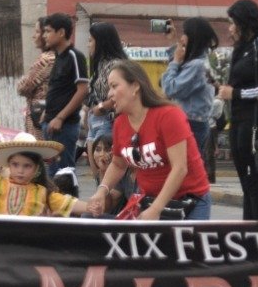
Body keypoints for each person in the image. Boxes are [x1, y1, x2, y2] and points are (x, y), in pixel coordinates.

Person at [86, 60, 213, 221]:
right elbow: (118, 164)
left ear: (135, 86)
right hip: (151, 200)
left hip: (190, 202)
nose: (109, 94)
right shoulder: (120, 123)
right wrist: (101, 191)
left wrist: (156, 208)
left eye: (114, 86)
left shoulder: (168, 115)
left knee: (184, 246)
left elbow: (180, 168)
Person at [218, 0, 258, 221]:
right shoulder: (241, 48)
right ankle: (247, 232)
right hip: (238, 121)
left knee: (255, 184)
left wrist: (236, 94)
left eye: (234, 23)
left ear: (245, 23)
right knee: (246, 184)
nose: (230, 28)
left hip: (256, 122)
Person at [0, 137, 88, 216]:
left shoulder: (42, 192)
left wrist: (92, 207)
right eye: (15, 165)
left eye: (27, 166)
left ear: (36, 169)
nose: (20, 170)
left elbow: (68, 204)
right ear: (9, 165)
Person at [162, 16, 219, 158]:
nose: (182, 37)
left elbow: (171, 88)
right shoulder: (199, 61)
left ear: (194, 36)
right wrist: (174, 45)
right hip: (194, 122)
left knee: (185, 170)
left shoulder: (197, 66)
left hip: (191, 124)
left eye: (184, 32)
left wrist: (174, 62)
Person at [39, 16, 87, 171]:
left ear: (61, 32)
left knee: (63, 174)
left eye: (48, 31)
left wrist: (60, 117)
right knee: (52, 174)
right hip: (50, 124)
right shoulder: (58, 57)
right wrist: (47, 112)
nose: (44, 35)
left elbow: (82, 90)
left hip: (64, 127)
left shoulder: (75, 56)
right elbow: (58, 89)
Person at [84, 21, 129, 144]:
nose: (88, 45)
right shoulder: (100, 63)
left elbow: (122, 93)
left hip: (109, 121)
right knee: (94, 160)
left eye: (90, 41)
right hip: (95, 120)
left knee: (104, 160)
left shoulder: (116, 64)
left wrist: (101, 107)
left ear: (101, 42)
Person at [17, 17, 55, 134]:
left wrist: (23, 82)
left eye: (38, 32)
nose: (34, 36)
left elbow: (22, 88)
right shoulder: (56, 57)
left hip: (38, 115)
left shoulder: (46, 60)